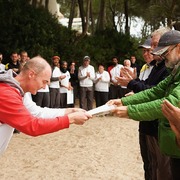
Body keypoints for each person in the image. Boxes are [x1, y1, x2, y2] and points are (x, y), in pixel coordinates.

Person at [108, 30, 180, 179]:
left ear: (178, 48)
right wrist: (123, 101)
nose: (163, 57)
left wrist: (129, 111)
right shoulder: (175, 71)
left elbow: (167, 103)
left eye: (166, 52)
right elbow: (154, 92)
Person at [0, 56, 92, 156]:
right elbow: (32, 126)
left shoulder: (18, 90)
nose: (44, 87)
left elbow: (37, 112)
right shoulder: (6, 93)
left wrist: (69, 111)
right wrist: (70, 119)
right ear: (31, 74)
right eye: (44, 82)